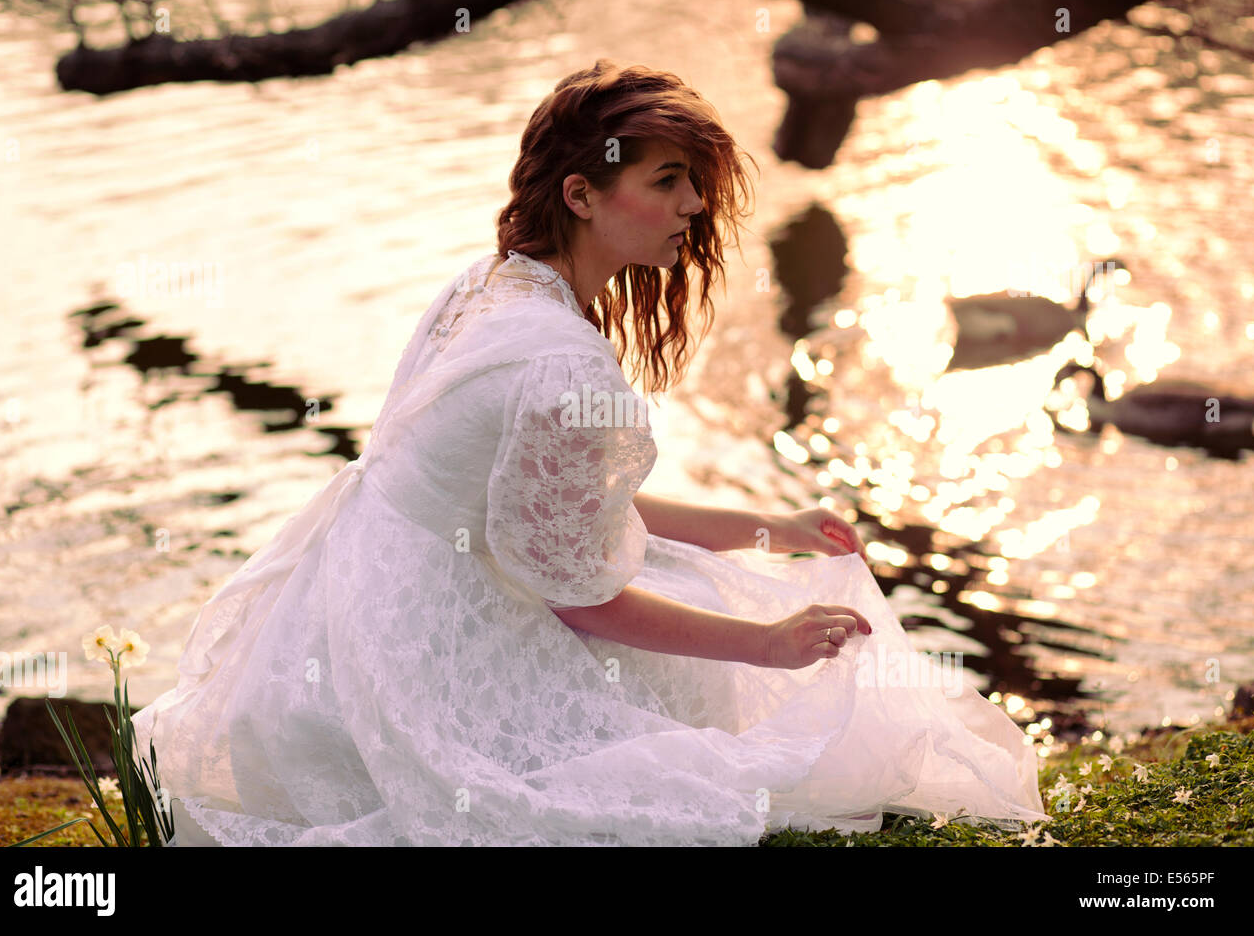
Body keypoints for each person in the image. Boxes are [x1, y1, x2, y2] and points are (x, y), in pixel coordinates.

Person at [131, 60, 1049, 846]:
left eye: (691, 181)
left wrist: (767, 526)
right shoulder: (563, 368)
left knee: (712, 609)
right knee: (718, 706)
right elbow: (585, 599)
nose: (693, 205)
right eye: (666, 181)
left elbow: (563, 516)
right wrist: (767, 645)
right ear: (580, 194)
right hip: (432, 637)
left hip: (363, 586)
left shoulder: (490, 284)